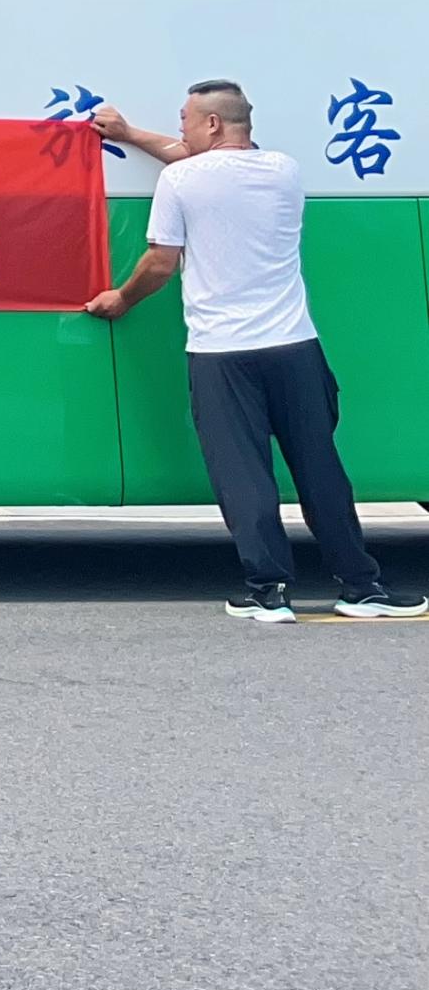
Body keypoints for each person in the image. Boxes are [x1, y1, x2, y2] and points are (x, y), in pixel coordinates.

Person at [88, 81, 423, 622]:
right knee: (320, 468)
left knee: (243, 474)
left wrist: (121, 299)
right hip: (295, 347)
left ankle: (270, 591)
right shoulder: (283, 170)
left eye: (185, 119)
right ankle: (362, 586)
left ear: (212, 124)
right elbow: (195, 159)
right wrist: (129, 134)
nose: (179, 129)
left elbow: (160, 262)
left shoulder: (180, 181)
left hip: (221, 353)